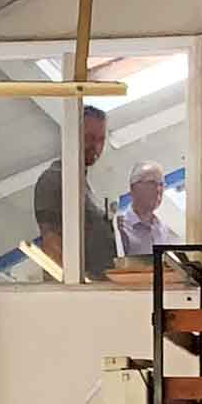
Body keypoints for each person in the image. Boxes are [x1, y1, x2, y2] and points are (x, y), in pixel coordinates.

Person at [36, 105, 119, 280]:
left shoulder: (83, 184)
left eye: (101, 140)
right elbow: (52, 245)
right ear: (72, 137)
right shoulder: (55, 180)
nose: (96, 146)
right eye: (89, 138)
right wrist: (77, 293)